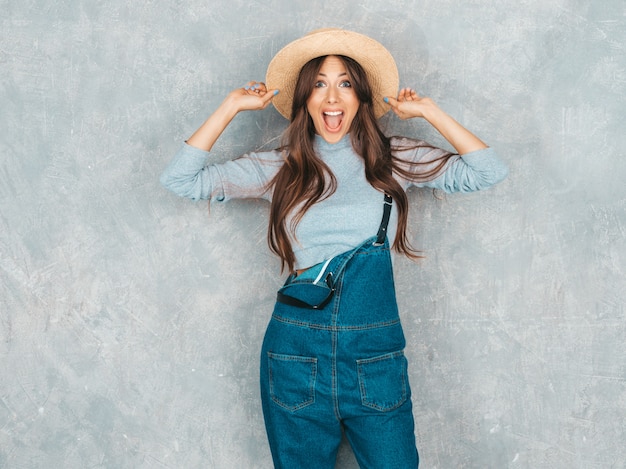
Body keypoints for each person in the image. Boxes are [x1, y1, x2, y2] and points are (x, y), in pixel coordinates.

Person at [160, 28, 507, 469]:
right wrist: (231, 106)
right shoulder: (280, 167)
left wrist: (428, 111)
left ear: (361, 96)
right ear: (305, 97)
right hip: (295, 357)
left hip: (375, 361)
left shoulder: (394, 158)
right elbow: (180, 180)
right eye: (319, 83)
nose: (332, 97)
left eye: (345, 83)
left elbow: (488, 171)